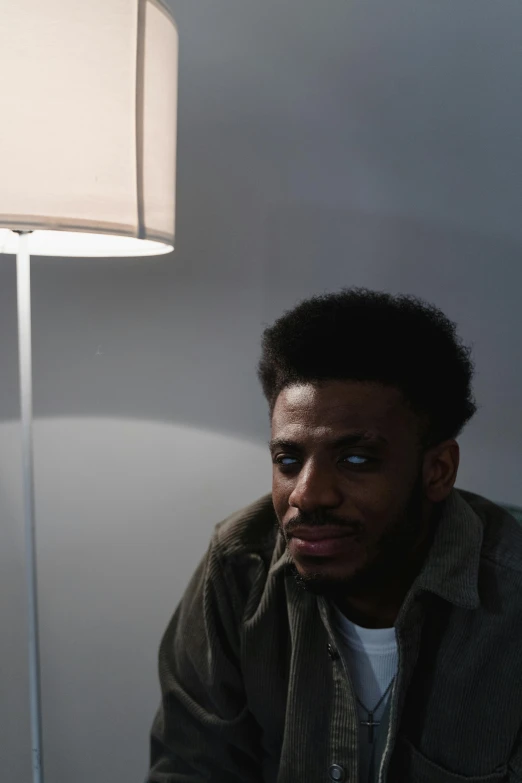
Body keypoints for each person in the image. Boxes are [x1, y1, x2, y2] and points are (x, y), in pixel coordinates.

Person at [147, 288, 522, 783]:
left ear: (438, 470)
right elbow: (191, 769)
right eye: (288, 460)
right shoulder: (240, 568)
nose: (308, 495)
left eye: (356, 460)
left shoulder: (511, 593)